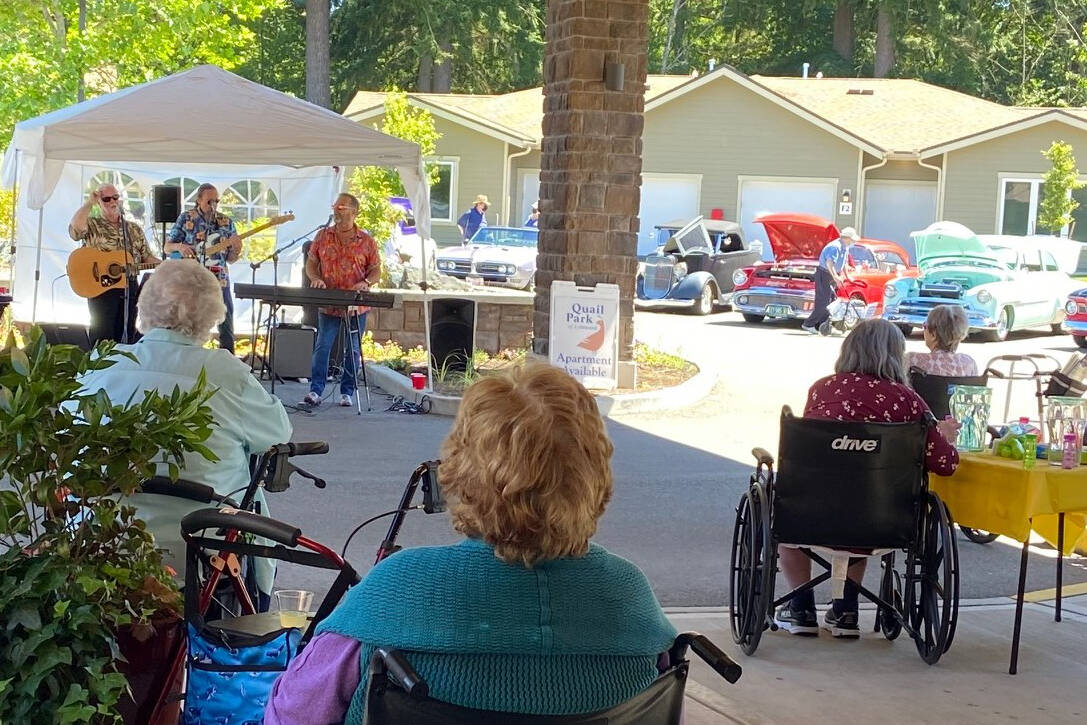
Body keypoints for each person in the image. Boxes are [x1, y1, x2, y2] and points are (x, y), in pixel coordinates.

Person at [267, 365, 676, 723]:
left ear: (461, 471)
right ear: (595, 475)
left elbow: (290, 713)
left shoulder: (396, 590)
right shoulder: (630, 598)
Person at [75, 259, 292, 597]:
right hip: (203, 548)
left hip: (104, 539)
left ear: (144, 308)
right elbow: (277, 435)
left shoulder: (102, 364)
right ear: (212, 315)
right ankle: (252, 632)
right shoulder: (225, 373)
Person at [774, 319, 961, 639]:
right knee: (865, 498)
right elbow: (945, 463)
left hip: (811, 512)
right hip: (881, 518)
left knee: (791, 508)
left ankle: (802, 608)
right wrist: (943, 435)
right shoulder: (908, 400)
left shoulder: (822, 390)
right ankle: (846, 609)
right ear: (894, 355)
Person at [301, 193, 381, 408]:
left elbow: (376, 271)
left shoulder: (366, 241)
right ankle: (315, 391)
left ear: (354, 212)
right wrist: (316, 278)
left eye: (342, 207)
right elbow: (311, 263)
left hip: (356, 305)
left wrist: (365, 282)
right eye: (335, 206)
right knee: (323, 346)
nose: (336, 210)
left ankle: (347, 392)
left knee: (353, 349)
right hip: (329, 303)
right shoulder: (322, 236)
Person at [68, 184, 161, 344]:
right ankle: (100, 364)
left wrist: (166, 264)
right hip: (100, 285)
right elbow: (75, 230)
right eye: (106, 199)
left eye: (115, 198)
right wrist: (89, 203)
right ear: (99, 202)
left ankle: (122, 363)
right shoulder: (93, 224)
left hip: (128, 285)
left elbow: (146, 257)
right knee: (102, 331)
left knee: (126, 330)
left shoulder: (132, 229)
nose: (112, 201)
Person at [164, 183, 243, 353]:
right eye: (209, 201)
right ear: (198, 200)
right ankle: (185, 357)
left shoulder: (226, 222)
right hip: (191, 279)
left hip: (218, 280)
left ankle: (227, 362)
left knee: (226, 322)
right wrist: (180, 247)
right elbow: (167, 247)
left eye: (216, 201)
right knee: (187, 321)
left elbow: (230, 259)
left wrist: (237, 249)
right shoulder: (186, 218)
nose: (213, 205)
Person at [803, 226, 858, 336]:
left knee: (831, 302)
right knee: (823, 302)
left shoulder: (845, 247)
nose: (853, 242)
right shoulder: (835, 247)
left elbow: (843, 263)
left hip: (832, 275)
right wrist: (835, 277)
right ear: (847, 238)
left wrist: (846, 276)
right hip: (824, 274)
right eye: (852, 239)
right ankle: (809, 324)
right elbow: (829, 263)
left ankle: (823, 326)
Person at [906, 304, 979, 376]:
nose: (923, 330)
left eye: (925, 326)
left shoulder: (912, 359)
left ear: (933, 334)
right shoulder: (969, 363)